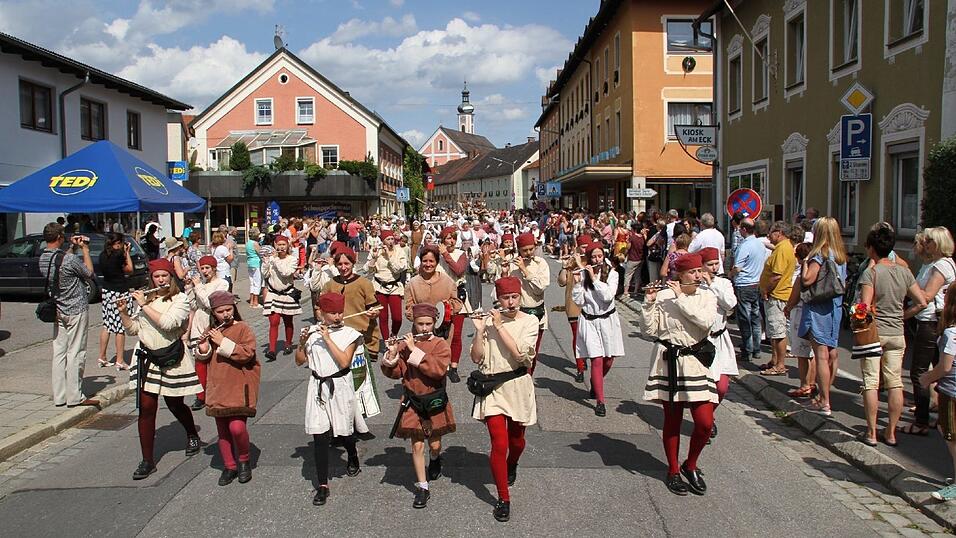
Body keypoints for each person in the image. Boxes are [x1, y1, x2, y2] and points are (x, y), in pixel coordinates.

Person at [640, 254, 717, 496]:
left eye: (699, 271)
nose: (698, 275)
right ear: (680, 275)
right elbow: (648, 330)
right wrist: (650, 302)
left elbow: (705, 323)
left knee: (705, 423)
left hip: (695, 361)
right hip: (669, 362)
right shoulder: (664, 296)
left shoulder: (706, 296)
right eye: (692, 272)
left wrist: (681, 297)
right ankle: (673, 470)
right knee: (672, 421)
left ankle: (690, 464)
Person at [120, 259, 202, 480]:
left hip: (171, 356)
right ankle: (147, 460)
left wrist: (144, 305)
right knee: (146, 408)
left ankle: (192, 433)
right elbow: (135, 329)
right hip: (147, 357)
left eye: (165, 276)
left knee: (175, 403)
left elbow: (168, 323)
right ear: (151, 278)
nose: (161, 280)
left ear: (171, 277)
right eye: (157, 276)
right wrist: (124, 314)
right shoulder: (148, 298)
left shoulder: (180, 299)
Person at [470, 276, 538, 522]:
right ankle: (503, 498)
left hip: (517, 385)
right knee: (499, 444)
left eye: (514, 297)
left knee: (517, 441)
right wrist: (479, 332)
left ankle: (513, 463)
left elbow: (521, 356)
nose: (510, 303)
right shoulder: (489, 322)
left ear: (520, 297)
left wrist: (498, 327)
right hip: (493, 389)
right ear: (497, 299)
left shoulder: (530, 321)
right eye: (505, 298)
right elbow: (477, 358)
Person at [381, 303, 456, 509]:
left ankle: (435, 458)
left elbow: (438, 371)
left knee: (434, 444)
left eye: (428, 324)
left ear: (434, 323)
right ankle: (423, 487)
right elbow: (395, 373)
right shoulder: (405, 344)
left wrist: (415, 350)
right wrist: (392, 354)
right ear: (413, 323)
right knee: (417, 445)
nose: (424, 328)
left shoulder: (440, 344)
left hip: (434, 400)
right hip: (412, 401)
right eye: (420, 324)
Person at [856, 226, 926, 446]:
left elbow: (864, 307)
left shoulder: (872, 272)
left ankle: (871, 433)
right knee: (895, 382)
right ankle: (891, 432)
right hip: (897, 332)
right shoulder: (904, 271)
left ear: (871, 249)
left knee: (871, 382)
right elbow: (922, 302)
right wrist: (904, 315)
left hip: (875, 333)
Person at [297, 292, 365, 506]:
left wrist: (327, 338)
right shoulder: (312, 333)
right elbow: (300, 361)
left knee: (343, 430)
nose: (337, 316)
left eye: (339, 312)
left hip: (340, 386)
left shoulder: (350, 334)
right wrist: (301, 343)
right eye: (332, 313)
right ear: (321, 313)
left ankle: (352, 454)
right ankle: (323, 485)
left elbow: (345, 362)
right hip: (317, 386)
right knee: (320, 435)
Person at [194, 291, 260, 486]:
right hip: (218, 386)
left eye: (228, 310)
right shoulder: (211, 330)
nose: (225, 314)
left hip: (239, 385)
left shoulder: (243, 328)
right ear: (213, 313)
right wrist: (204, 348)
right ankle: (229, 466)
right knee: (222, 430)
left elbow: (247, 354)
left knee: (237, 428)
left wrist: (222, 342)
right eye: (220, 311)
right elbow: (203, 358)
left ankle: (244, 460)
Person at [38, 223, 99, 407]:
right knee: (76, 352)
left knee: (59, 353)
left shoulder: (42, 258)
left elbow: (60, 263)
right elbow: (88, 272)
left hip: (58, 309)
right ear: (59, 237)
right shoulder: (69, 260)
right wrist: (85, 249)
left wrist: (71, 247)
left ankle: (60, 396)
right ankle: (75, 396)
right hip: (76, 309)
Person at [320, 246, 383, 420]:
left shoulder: (364, 283)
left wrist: (373, 312)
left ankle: (358, 419)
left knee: (358, 382)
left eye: (346, 263)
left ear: (353, 263)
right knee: (337, 382)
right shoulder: (330, 285)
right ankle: (340, 419)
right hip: (336, 339)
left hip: (359, 338)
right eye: (339, 264)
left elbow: (375, 307)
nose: (343, 267)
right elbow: (320, 309)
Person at [908, 227, 956, 435]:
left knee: (919, 371)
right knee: (938, 367)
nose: (925, 244)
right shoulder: (936, 264)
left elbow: (926, 297)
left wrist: (904, 314)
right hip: (934, 321)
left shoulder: (941, 266)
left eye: (929, 241)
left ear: (937, 244)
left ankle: (921, 421)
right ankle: (938, 409)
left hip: (930, 322)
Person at [798, 217, 848, 417]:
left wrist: (803, 264)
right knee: (831, 353)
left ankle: (823, 400)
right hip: (834, 306)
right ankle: (825, 395)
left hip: (819, 306)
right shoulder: (840, 255)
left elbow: (808, 279)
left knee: (820, 354)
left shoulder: (820, 254)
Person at [572, 243, 625, 417]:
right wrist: (578, 284)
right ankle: (600, 402)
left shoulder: (613, 273)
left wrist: (594, 278)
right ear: (588, 258)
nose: (596, 260)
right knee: (596, 359)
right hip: (589, 320)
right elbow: (579, 302)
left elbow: (608, 296)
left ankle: (596, 383)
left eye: (599, 256)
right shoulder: (582, 274)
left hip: (608, 320)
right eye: (593, 257)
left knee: (609, 360)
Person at [918, 286, 956, 500]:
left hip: (951, 390)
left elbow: (945, 367)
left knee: (951, 436)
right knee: (944, 428)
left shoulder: (951, 333)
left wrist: (927, 378)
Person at [699, 247, 737, 441]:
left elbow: (730, 305)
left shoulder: (723, 283)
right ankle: (705, 420)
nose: (714, 267)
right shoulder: (696, 284)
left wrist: (713, 284)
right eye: (710, 264)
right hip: (702, 342)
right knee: (705, 386)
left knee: (721, 387)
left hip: (720, 339)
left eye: (716, 264)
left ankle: (708, 415)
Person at [188, 256, 230, 410]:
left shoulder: (222, 283)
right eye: (202, 268)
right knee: (199, 359)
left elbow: (210, 303)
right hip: (199, 321)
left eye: (207, 268)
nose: (204, 271)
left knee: (216, 358)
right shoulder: (202, 285)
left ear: (214, 268)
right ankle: (201, 395)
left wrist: (198, 287)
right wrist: (190, 288)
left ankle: (219, 390)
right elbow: (193, 304)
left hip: (213, 322)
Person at [758, 221, 796, 376]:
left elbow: (777, 275)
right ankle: (774, 360)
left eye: (771, 232)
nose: (768, 235)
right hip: (775, 294)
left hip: (777, 295)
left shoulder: (783, 248)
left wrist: (766, 289)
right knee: (773, 331)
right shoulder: (782, 247)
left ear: (779, 232)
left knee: (778, 331)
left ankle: (780, 364)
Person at [438, 226, 473, 383]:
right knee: (440, 334)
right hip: (439, 297)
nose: (451, 241)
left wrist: (445, 254)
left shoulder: (461, 254)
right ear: (443, 240)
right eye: (448, 238)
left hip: (457, 298)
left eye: (453, 238)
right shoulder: (436, 254)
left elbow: (459, 270)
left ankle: (454, 367)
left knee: (456, 334)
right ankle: (441, 366)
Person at [730, 219, 768, 362]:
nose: (739, 230)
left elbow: (737, 267)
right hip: (756, 283)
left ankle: (747, 350)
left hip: (744, 284)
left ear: (744, 230)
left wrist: (730, 275)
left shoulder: (745, 245)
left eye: (741, 228)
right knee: (755, 318)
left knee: (745, 319)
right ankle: (756, 349)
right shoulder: (760, 244)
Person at [509, 233, 550, 365]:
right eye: (524, 250)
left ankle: (528, 380)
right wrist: (504, 272)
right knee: (517, 351)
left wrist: (524, 270)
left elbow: (539, 288)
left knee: (531, 353)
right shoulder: (512, 265)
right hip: (517, 313)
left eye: (531, 249)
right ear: (519, 250)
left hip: (536, 312)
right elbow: (502, 291)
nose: (528, 253)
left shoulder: (541, 263)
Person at [97, 232, 134, 370]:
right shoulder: (118, 255)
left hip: (107, 291)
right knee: (120, 327)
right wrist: (127, 253)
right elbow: (130, 269)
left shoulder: (102, 255)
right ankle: (120, 360)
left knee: (107, 325)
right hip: (119, 292)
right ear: (117, 243)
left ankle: (102, 356)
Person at [784, 242, 816, 399]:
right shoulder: (818, 271)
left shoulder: (803, 274)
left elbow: (795, 295)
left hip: (800, 313)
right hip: (815, 314)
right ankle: (812, 382)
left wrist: (788, 307)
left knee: (802, 353)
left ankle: (804, 384)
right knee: (813, 353)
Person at [262, 235, 301, 361]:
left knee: (288, 321)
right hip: (273, 293)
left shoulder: (293, 259)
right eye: (279, 245)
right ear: (275, 245)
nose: (281, 247)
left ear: (288, 245)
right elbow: (265, 274)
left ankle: (288, 343)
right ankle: (272, 350)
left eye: (283, 244)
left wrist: (275, 261)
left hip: (287, 294)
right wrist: (266, 263)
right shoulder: (273, 259)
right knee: (274, 321)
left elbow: (286, 273)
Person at [367, 229, 409, 342]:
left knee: (397, 318)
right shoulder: (376, 251)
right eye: (388, 239)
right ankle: (387, 342)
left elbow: (399, 269)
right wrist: (374, 257)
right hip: (379, 287)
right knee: (383, 317)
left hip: (394, 286)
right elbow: (368, 270)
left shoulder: (399, 251)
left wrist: (389, 256)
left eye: (392, 239)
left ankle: (394, 333)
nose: (391, 241)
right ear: (383, 241)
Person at [558, 236, 591, 383]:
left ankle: (588, 358)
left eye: (587, 247)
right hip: (574, 305)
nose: (584, 250)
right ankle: (580, 367)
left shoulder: (593, 261)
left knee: (589, 338)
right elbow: (562, 282)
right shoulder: (571, 262)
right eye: (582, 247)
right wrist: (565, 267)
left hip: (591, 305)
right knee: (577, 336)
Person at [624, 222, 645, 297]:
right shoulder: (643, 237)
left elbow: (628, 248)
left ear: (635, 229)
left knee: (628, 275)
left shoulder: (632, 238)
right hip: (640, 259)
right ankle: (636, 291)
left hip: (632, 258)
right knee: (637, 275)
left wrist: (624, 254)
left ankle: (626, 291)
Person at [246, 227, 263, 309]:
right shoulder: (255, 243)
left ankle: (251, 301)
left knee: (252, 282)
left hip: (250, 263)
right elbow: (261, 253)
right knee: (257, 283)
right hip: (256, 263)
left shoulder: (248, 242)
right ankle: (256, 302)